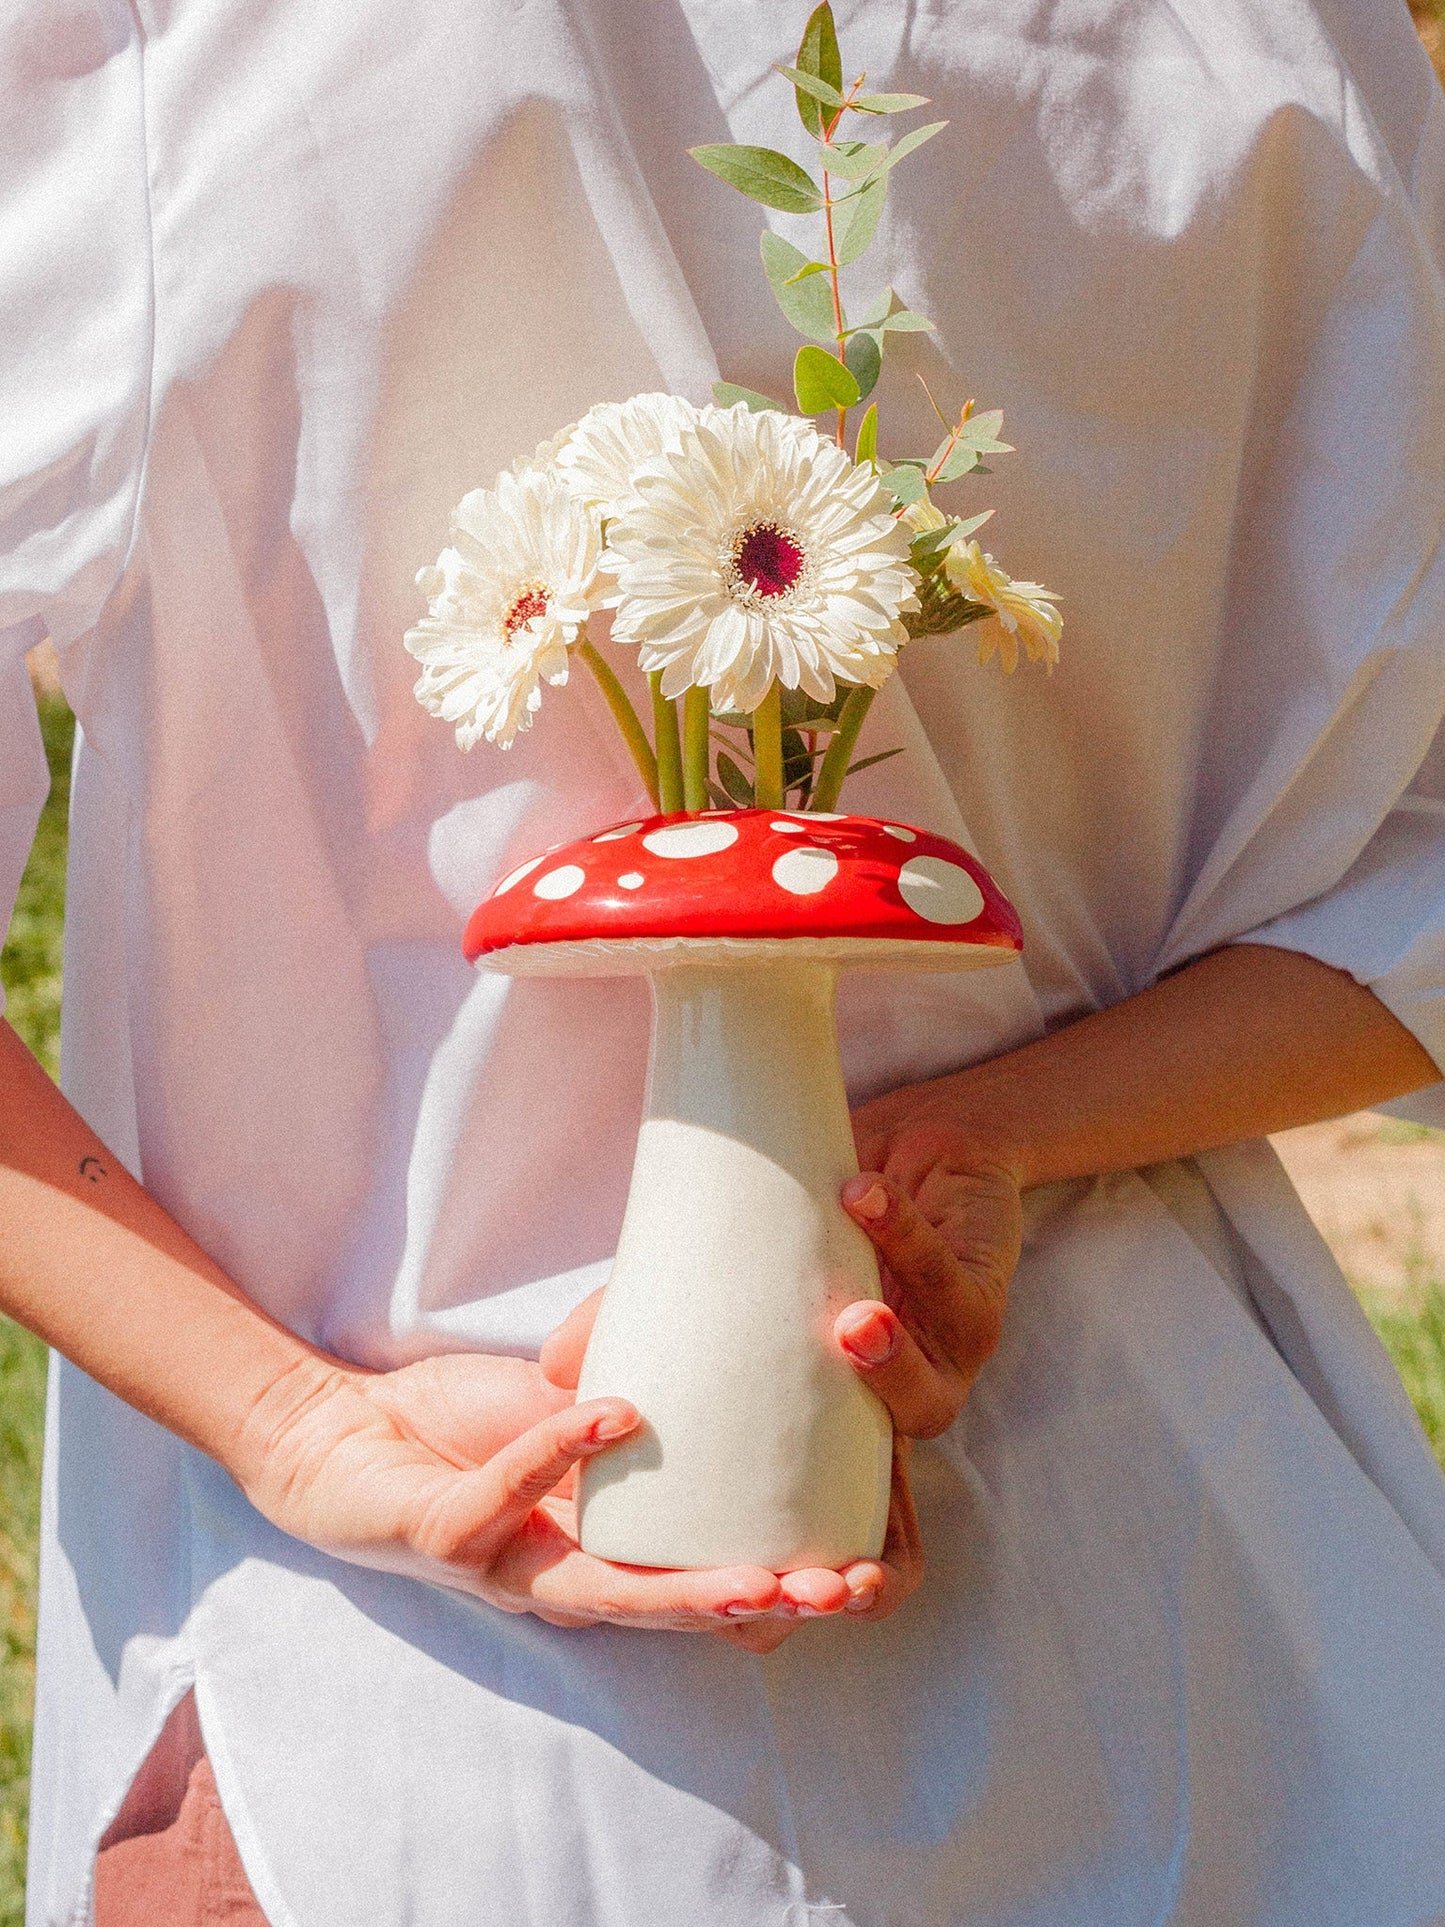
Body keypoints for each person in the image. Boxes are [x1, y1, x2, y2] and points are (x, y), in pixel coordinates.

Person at [4, 0, 1445, 1921]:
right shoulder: (1280, 47)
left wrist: (295, 1419)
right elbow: (1411, 872)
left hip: (424, 1693)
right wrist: (986, 1142)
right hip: (1192, 1638)